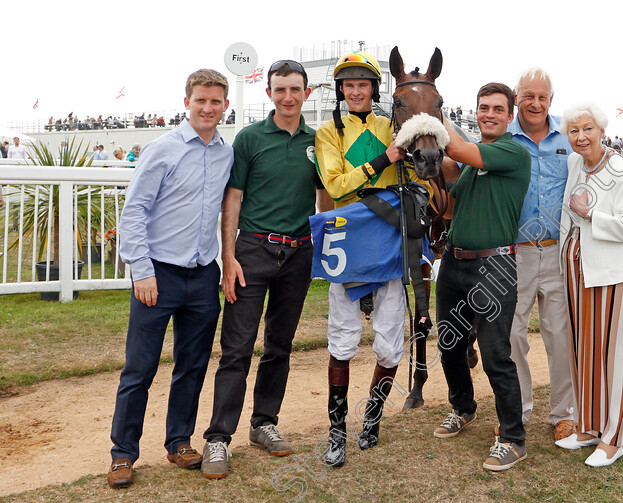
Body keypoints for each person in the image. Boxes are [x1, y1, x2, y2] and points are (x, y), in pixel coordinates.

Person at [201, 60, 332, 479]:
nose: (288, 97)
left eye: (295, 89)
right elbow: (232, 200)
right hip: (253, 251)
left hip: (299, 253)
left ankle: (264, 424)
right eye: (280, 89)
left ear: (306, 93)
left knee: (280, 345)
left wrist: (325, 249)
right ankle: (218, 438)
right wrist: (229, 258)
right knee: (237, 348)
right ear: (269, 93)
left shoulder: (319, 141)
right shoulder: (250, 138)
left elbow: (325, 199)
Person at [107, 69, 233, 489]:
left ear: (225, 105)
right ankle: (123, 454)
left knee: (192, 366)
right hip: (156, 275)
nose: (208, 107)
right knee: (139, 369)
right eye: (201, 100)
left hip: (202, 277)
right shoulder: (162, 149)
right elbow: (135, 211)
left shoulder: (225, 153)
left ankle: (179, 441)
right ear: (187, 102)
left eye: (216, 101)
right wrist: (140, 270)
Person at [314, 50, 432, 468]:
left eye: (363, 84)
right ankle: (336, 432)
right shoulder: (329, 132)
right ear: (341, 90)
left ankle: (373, 418)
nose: (356, 91)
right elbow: (338, 186)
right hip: (348, 241)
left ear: (374, 88)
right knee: (342, 339)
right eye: (349, 85)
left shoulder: (391, 125)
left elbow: (421, 169)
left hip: (389, 240)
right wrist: (384, 159)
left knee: (388, 342)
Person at [433, 82, 531, 472]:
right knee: (449, 343)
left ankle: (513, 438)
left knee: (495, 355)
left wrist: (429, 112)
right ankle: (463, 408)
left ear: (510, 116)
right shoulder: (475, 167)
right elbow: (448, 170)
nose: (488, 114)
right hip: (455, 262)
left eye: (496, 109)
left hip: (494, 267)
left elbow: (455, 150)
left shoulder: (512, 151)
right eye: (483, 108)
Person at [553, 102, 623, 468]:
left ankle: (613, 437)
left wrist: (592, 215)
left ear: (602, 131)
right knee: (581, 349)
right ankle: (588, 427)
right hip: (576, 269)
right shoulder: (575, 163)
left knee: (611, 355)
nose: (581, 136)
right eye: (574, 130)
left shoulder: (621, 170)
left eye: (587, 129)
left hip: (611, 272)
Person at [507, 67, 576, 442]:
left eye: (542, 97)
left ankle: (563, 413)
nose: (535, 103)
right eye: (528, 95)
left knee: (560, 335)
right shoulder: (502, 135)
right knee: (512, 335)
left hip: (557, 252)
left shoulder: (570, 133)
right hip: (513, 254)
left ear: (552, 99)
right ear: (517, 97)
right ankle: (517, 410)